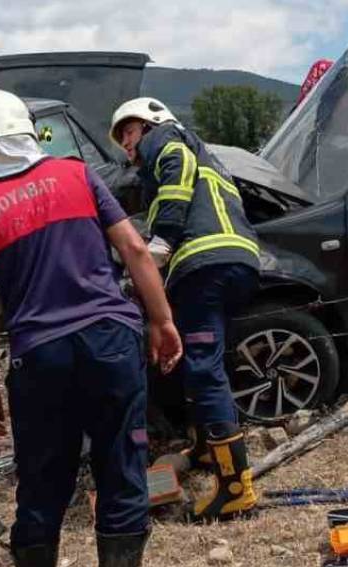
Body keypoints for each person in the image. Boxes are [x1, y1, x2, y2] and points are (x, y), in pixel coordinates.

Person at [0, 88, 182, 567]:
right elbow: (133, 248)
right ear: (28, 133)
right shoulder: (77, 175)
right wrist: (162, 320)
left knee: (41, 481)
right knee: (120, 468)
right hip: (110, 341)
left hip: (40, 358)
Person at [110, 97, 263, 522]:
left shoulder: (169, 140)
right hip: (238, 259)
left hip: (203, 262)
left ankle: (236, 488)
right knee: (206, 360)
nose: (126, 142)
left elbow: (175, 170)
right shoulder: (209, 156)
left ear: (152, 122)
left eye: (129, 130)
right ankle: (204, 446)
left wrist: (161, 240)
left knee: (201, 369)